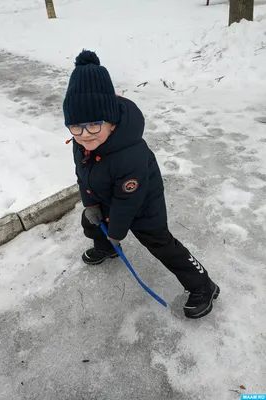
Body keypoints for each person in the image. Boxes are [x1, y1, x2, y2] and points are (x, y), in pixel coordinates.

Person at [63, 49, 220, 319]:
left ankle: (203, 285)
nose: (84, 135)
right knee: (91, 221)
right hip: (106, 195)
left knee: (160, 244)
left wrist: (118, 231)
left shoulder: (129, 153)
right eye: (75, 127)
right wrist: (90, 204)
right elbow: (81, 175)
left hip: (142, 202)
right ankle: (107, 249)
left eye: (93, 125)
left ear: (111, 122)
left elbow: (128, 200)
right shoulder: (83, 145)